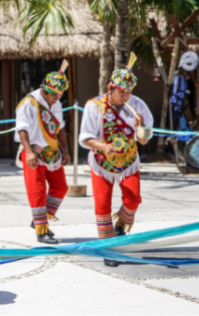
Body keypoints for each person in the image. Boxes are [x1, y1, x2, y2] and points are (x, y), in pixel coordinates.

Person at [79, 53, 154, 267]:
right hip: (102, 163)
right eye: (121, 91)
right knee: (102, 205)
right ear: (110, 88)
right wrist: (103, 146)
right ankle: (108, 249)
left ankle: (121, 224)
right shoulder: (94, 106)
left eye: (129, 92)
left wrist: (140, 126)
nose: (125, 96)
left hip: (129, 161)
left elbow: (143, 140)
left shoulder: (138, 106)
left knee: (133, 199)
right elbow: (84, 137)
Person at [15, 61, 71, 244]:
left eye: (59, 96)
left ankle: (39, 220)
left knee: (61, 187)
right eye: (54, 95)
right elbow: (22, 129)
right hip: (33, 152)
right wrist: (29, 153)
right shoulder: (28, 103)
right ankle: (41, 231)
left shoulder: (56, 103)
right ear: (44, 89)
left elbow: (60, 127)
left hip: (52, 152)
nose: (56, 99)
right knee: (37, 191)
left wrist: (66, 150)